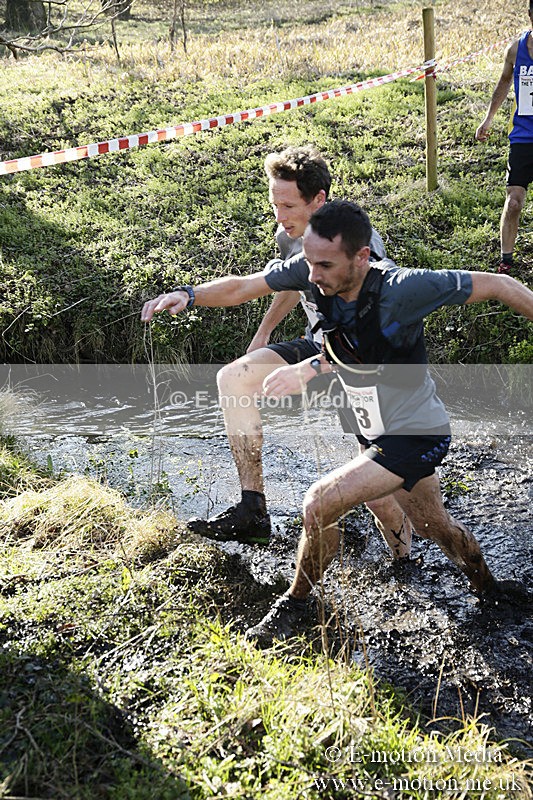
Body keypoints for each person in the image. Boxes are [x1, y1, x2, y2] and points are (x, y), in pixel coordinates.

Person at [141, 200, 533, 647]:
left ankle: (296, 605)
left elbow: (500, 284)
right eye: (308, 262)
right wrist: (190, 295)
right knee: (432, 526)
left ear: (362, 257)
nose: (312, 276)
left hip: (414, 431)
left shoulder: (404, 288)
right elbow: (244, 286)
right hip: (374, 426)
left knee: (319, 502)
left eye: (324, 265)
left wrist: (309, 369)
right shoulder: (313, 269)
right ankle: (490, 589)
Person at [176, 144, 415, 561]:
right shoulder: (287, 236)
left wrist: (314, 368)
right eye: (273, 204)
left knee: (377, 494)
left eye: (287, 205)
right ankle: (253, 509)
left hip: (363, 361)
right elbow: (288, 281)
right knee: (234, 377)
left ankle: (404, 559)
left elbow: (368, 331)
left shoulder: (354, 243)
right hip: (318, 342)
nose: (279, 215)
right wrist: (264, 332)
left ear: (318, 201)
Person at [476, 3, 533, 274]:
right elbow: (503, 83)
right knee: (513, 203)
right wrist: (488, 119)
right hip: (523, 135)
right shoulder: (515, 49)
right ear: (530, 17)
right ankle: (506, 260)